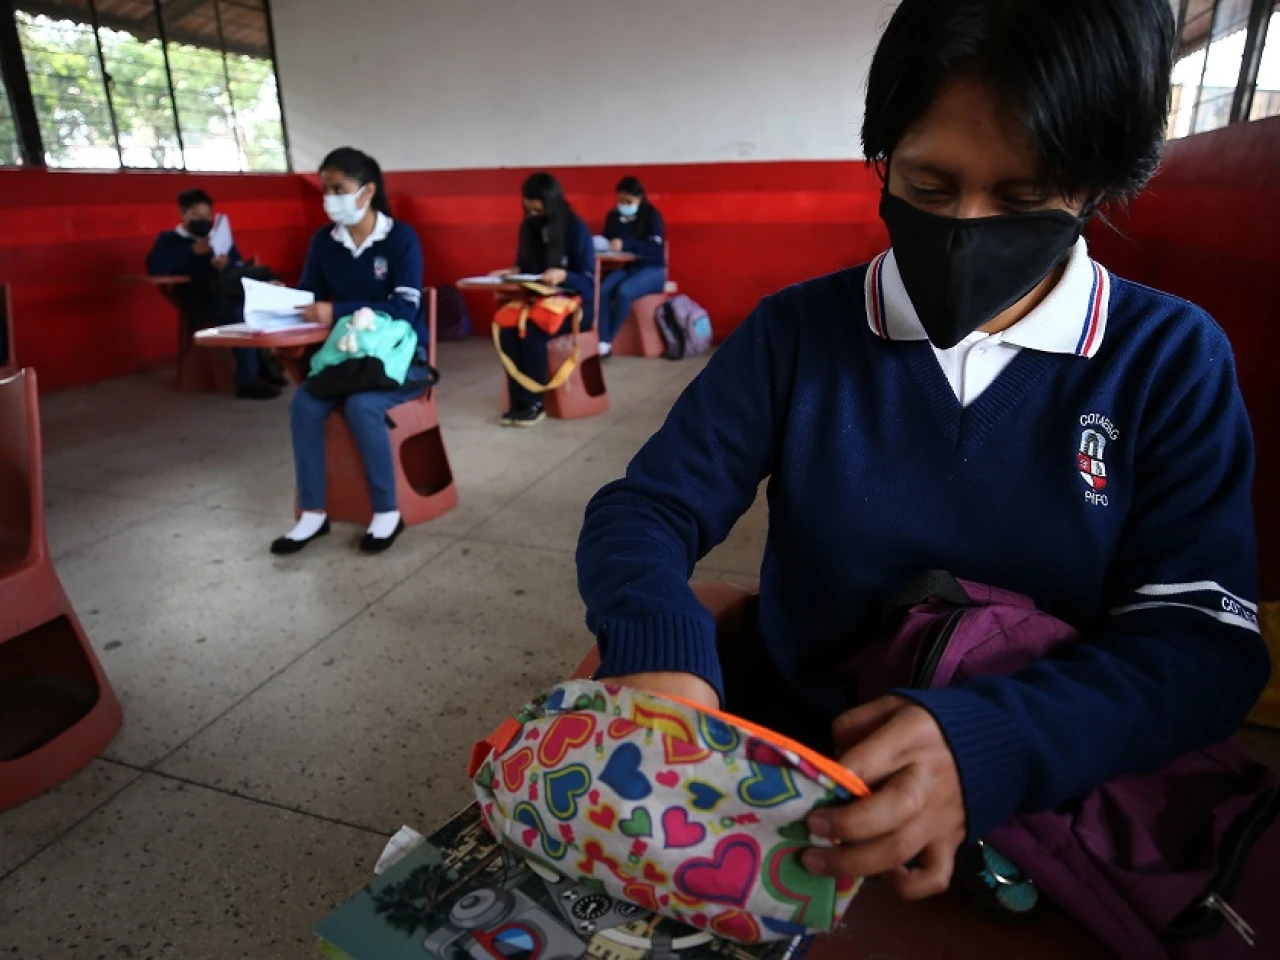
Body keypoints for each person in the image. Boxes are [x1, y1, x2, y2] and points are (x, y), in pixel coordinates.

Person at [576, 0, 1270, 902]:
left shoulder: (1167, 359)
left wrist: (997, 741)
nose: (965, 228)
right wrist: (657, 638)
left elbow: (1202, 640)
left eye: (1022, 199)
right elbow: (648, 508)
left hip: (1041, 789)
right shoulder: (798, 334)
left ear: (1099, 184)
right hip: (802, 761)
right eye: (929, 187)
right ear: (883, 157)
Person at [270, 147, 430, 556]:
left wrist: (338, 310)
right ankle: (312, 512)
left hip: (398, 359)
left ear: (367, 190)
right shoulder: (325, 241)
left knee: (362, 406)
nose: (330, 198)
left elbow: (406, 308)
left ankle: (386, 512)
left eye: (338, 189)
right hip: (346, 359)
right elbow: (310, 296)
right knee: (304, 404)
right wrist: (281, 303)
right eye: (325, 189)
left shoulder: (400, 238)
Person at [146, 189, 282, 399]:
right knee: (241, 313)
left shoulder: (218, 237)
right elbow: (156, 267)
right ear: (183, 214)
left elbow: (237, 265)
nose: (204, 220)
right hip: (200, 301)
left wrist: (225, 265)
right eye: (197, 215)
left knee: (255, 306)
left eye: (208, 215)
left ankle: (264, 366)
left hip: (228, 292)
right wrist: (192, 251)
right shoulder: (170, 239)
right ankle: (247, 381)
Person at [494, 172, 595, 427]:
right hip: (537, 302)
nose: (533, 215)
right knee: (507, 330)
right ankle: (517, 402)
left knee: (533, 331)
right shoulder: (529, 226)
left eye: (538, 211)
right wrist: (513, 273)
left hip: (574, 306)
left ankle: (534, 403)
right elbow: (525, 267)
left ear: (552, 204)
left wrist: (564, 275)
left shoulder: (575, 229)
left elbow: (589, 283)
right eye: (528, 210)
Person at [598, 176, 667, 355]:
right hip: (626, 267)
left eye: (628, 201)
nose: (623, 205)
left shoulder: (651, 216)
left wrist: (626, 244)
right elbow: (608, 240)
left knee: (624, 291)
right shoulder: (613, 216)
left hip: (652, 269)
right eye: (620, 201)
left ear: (640, 198)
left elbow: (655, 247)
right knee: (603, 289)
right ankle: (602, 339)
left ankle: (608, 341)